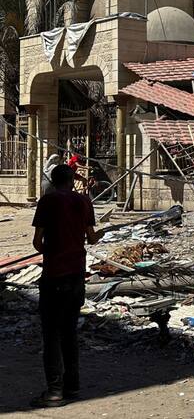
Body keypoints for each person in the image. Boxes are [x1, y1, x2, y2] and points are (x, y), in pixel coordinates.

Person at [30, 164, 100, 408]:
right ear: (71, 181)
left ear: (53, 181)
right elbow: (92, 237)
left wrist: (51, 250)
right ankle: (72, 385)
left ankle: (54, 391)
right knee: (69, 332)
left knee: (51, 334)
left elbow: (37, 242)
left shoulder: (47, 202)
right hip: (76, 275)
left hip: (54, 275)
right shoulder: (84, 201)